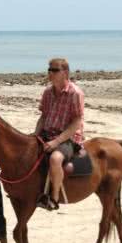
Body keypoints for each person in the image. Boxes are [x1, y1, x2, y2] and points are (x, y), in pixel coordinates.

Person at [35, 57, 85, 210]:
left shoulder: (75, 93)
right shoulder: (48, 92)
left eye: (54, 70)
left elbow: (76, 122)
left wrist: (56, 142)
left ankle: (54, 198)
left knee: (56, 159)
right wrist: (35, 135)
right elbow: (43, 116)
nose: (50, 73)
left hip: (67, 138)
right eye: (49, 69)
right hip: (46, 133)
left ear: (65, 73)